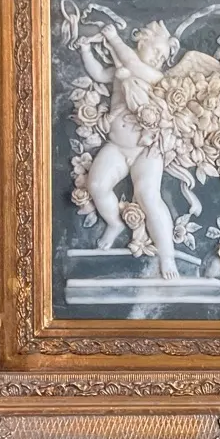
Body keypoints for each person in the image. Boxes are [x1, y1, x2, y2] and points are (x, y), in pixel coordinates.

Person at [76, 21, 181, 278]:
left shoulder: (154, 76)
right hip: (117, 147)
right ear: (141, 42)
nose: (158, 59)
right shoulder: (121, 69)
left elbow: (133, 64)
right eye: (156, 51)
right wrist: (86, 51)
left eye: (163, 58)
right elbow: (99, 75)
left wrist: (114, 39)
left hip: (147, 151)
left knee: (148, 197)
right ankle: (114, 223)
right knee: (97, 185)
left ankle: (167, 255)